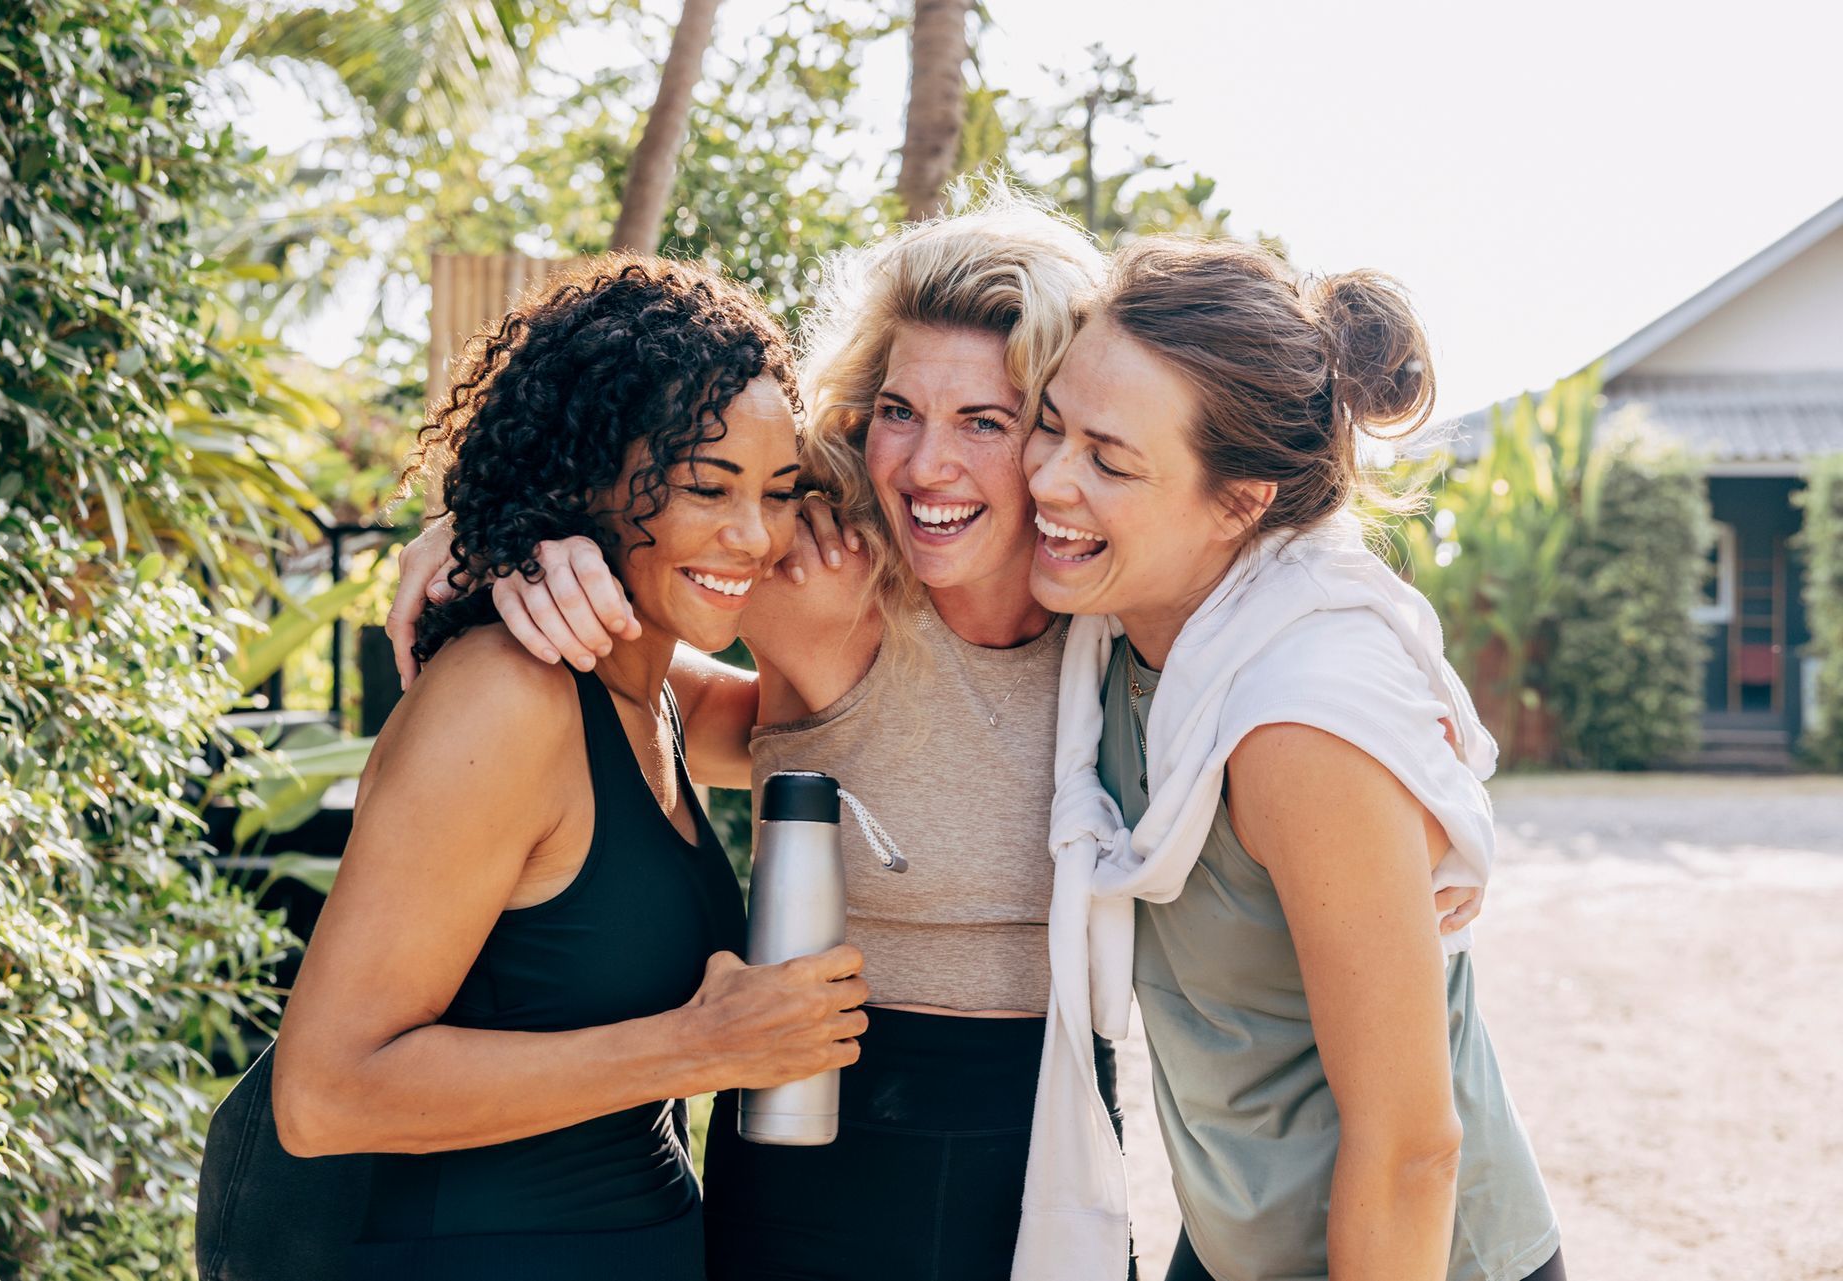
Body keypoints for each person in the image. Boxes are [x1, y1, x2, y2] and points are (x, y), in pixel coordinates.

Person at [386, 191, 1485, 1279]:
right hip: (824, 1154)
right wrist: (488, 546)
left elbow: (1303, 591)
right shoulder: (822, 576)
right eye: (899, 412)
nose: (924, 466)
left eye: (992, 423)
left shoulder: (1120, 610)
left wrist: (1428, 782)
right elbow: (650, 541)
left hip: (1057, 1141)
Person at [273, 255, 869, 1281]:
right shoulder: (509, 699)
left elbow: (804, 723)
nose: (755, 534)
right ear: (586, 473)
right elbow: (325, 1093)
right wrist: (698, 1049)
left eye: (781, 491)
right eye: (705, 487)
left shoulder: (647, 685)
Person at [1017, 235, 1564, 1281]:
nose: (1048, 477)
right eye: (1051, 425)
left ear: (1240, 503)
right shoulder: (1123, 641)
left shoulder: (1301, 722)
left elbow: (1412, 1147)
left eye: (1109, 460)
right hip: (1237, 1245)